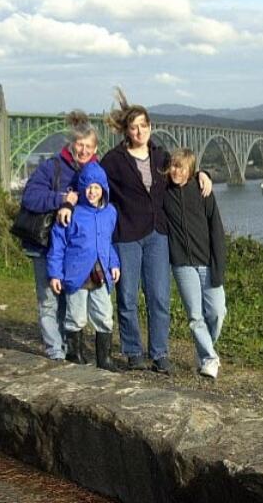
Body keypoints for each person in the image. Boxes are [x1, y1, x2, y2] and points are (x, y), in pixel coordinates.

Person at [96, 88, 212, 373]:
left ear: (150, 127)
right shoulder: (113, 160)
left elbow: (181, 172)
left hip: (158, 234)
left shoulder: (161, 156)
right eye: (133, 127)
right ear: (126, 130)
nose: (139, 131)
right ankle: (134, 351)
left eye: (143, 126)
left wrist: (201, 174)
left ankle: (160, 354)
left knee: (159, 296)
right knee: (127, 296)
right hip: (127, 235)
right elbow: (94, 181)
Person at [19, 110, 99, 361]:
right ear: (71, 144)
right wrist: (61, 199)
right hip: (43, 245)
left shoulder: (95, 171)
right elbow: (30, 197)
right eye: (80, 145)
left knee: (68, 299)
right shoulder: (51, 166)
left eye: (88, 146)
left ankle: (67, 346)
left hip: (71, 248)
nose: (84, 150)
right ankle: (55, 352)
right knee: (49, 301)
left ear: (95, 148)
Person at [47, 162, 120, 370]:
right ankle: (74, 355)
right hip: (76, 275)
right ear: (81, 188)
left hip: (101, 275)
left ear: (103, 189)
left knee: (104, 315)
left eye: (97, 187)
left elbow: (108, 243)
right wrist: (55, 274)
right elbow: (58, 245)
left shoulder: (110, 213)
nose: (92, 192)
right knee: (76, 316)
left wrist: (114, 263)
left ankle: (104, 359)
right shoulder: (72, 213)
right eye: (88, 187)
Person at [162, 149, 227, 379]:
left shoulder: (203, 191)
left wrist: (204, 174)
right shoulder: (164, 192)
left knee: (217, 312)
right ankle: (210, 358)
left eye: (181, 167)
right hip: (182, 264)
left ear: (190, 170)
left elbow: (216, 229)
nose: (175, 171)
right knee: (195, 316)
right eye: (173, 166)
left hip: (207, 262)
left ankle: (204, 352)